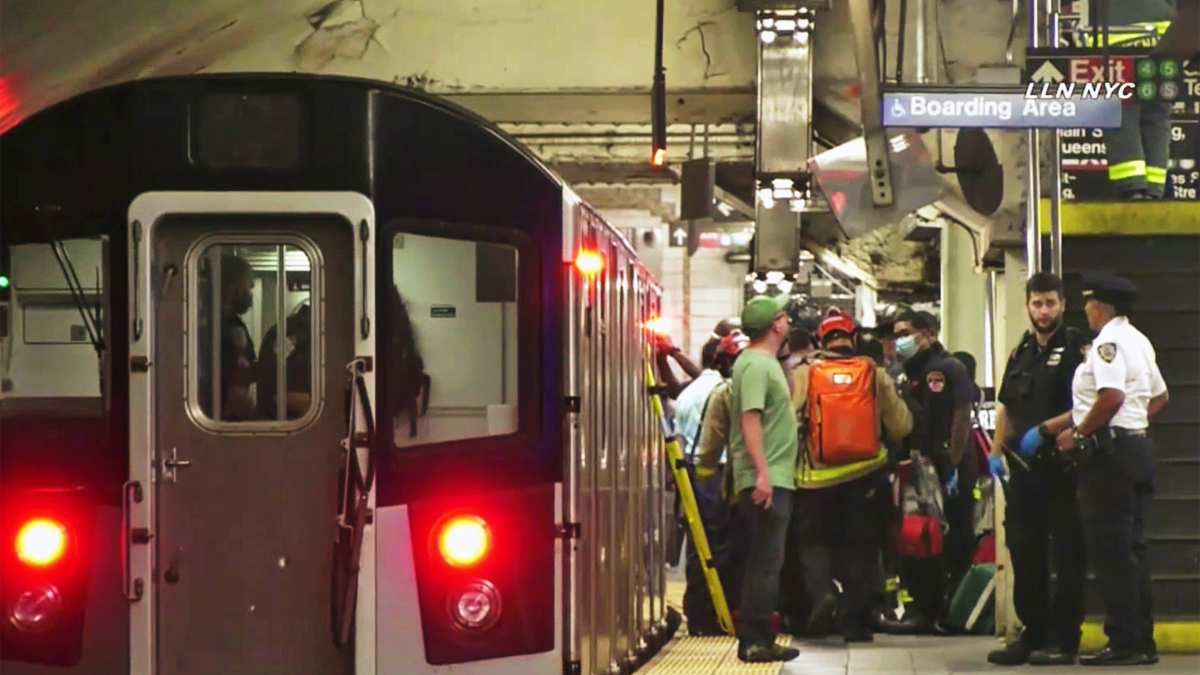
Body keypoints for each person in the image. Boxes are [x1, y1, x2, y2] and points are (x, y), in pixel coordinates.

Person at [1027, 273, 1168, 666]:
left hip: (1110, 459)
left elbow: (1111, 396)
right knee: (1133, 550)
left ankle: (1123, 642)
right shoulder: (1139, 340)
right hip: (1136, 449)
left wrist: (1080, 433)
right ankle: (1142, 639)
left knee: (1112, 553)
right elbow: (1159, 397)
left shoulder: (1107, 342)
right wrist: (1133, 425)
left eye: (1088, 302)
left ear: (1101, 306)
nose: (1085, 309)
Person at [985, 272, 1089, 666]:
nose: (1043, 311)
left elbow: (1088, 405)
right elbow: (1008, 406)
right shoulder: (1022, 351)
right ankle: (1034, 633)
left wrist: (1046, 430)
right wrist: (996, 451)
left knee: (1066, 555)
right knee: (1023, 551)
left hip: (1062, 469)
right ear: (1027, 305)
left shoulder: (1079, 347)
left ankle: (1064, 639)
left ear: (1062, 304)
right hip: (1023, 473)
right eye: (1037, 303)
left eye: (1050, 303)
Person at [790, 310, 912, 642]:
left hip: (815, 479)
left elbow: (789, 424)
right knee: (859, 548)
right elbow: (902, 424)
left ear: (819, 340)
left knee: (812, 542)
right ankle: (855, 623)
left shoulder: (803, 375)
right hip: (865, 475)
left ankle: (823, 592)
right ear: (854, 337)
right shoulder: (874, 373)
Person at [883, 311, 977, 634]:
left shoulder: (946, 368)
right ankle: (925, 609)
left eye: (907, 333)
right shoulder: (907, 373)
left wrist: (952, 463)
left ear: (929, 334)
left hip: (947, 468)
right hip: (921, 467)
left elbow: (961, 414)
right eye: (897, 334)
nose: (900, 340)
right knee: (920, 539)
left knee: (952, 539)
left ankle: (946, 611)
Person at [728, 295, 800, 663]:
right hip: (767, 476)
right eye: (784, 316)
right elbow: (749, 418)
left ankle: (760, 637)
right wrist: (762, 474)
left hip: (774, 474)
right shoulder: (755, 365)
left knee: (767, 561)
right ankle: (755, 640)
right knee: (764, 562)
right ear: (775, 324)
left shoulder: (764, 362)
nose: (788, 321)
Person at [1087, 0, 1175, 198]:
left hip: (1118, 30)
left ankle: (1132, 187)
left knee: (1120, 110)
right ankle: (1154, 190)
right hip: (1166, 31)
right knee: (1157, 113)